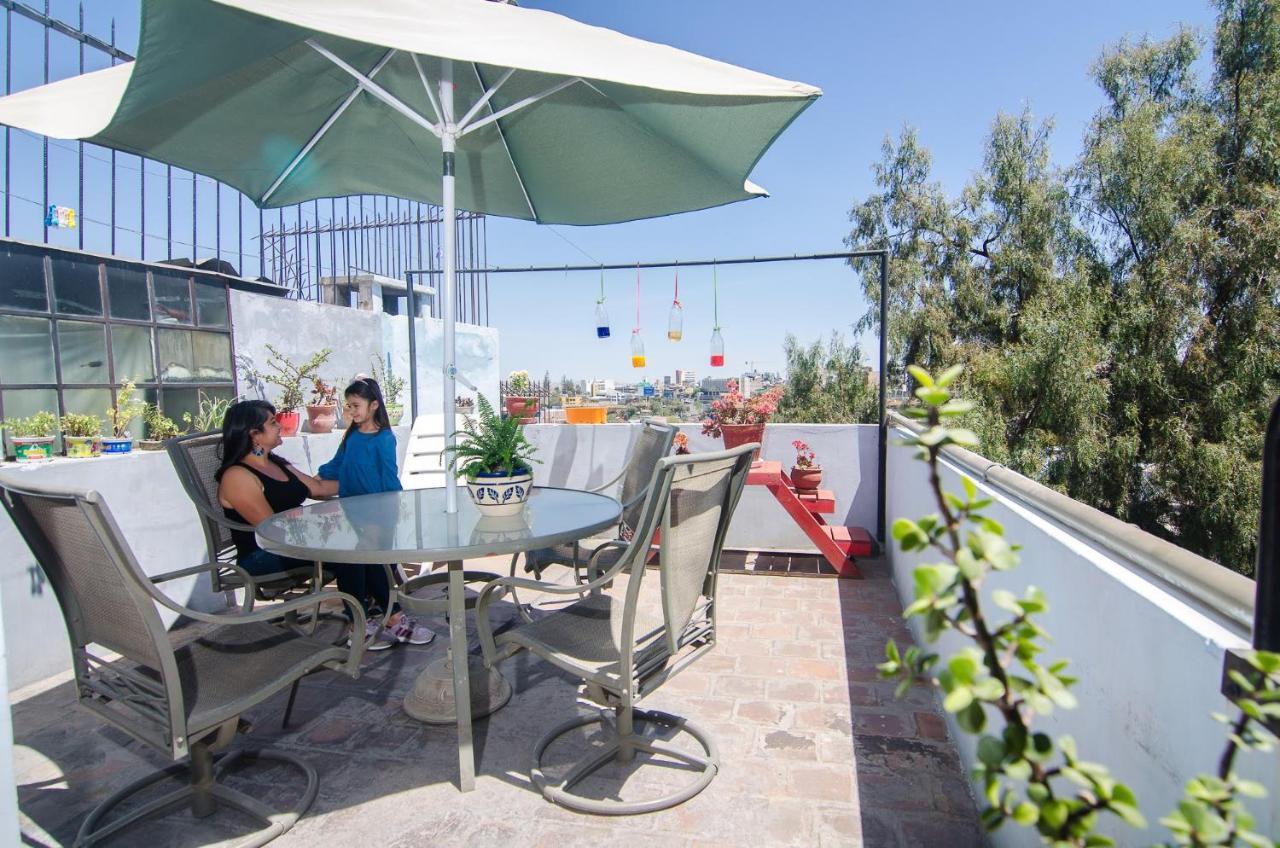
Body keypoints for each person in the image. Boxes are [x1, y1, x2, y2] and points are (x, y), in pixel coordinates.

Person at [214, 398, 419, 651]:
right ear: (254, 434)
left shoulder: (276, 463)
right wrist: (323, 527)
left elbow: (319, 487)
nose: (279, 426)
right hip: (262, 555)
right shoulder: (238, 476)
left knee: (364, 542)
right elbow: (271, 528)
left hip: (294, 542)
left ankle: (392, 616)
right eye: (272, 422)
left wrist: (371, 487)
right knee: (349, 548)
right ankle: (361, 625)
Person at [316, 377, 434, 647]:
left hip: (377, 512)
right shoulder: (351, 437)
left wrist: (394, 512)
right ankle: (368, 620)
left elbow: (389, 477)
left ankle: (380, 619)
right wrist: (317, 477)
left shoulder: (383, 438)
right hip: (350, 513)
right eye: (349, 406)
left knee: (377, 565)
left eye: (356, 405)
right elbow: (337, 465)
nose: (352, 412)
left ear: (373, 406)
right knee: (359, 563)